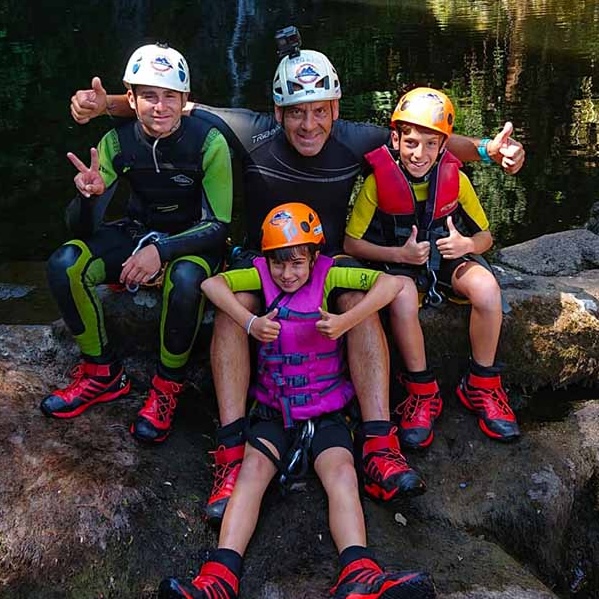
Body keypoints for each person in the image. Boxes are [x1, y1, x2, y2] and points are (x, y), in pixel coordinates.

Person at [69, 31, 526, 521]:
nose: (309, 124)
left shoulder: (357, 138)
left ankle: (376, 444)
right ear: (278, 109)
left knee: (355, 305)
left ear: (335, 107)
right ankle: (231, 453)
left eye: (320, 110)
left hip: (326, 259)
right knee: (231, 311)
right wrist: (107, 106)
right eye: (296, 111)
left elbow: (426, 133)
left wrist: (486, 149)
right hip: (263, 259)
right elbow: (173, 107)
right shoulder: (251, 131)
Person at [158, 202, 436, 599]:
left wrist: (345, 321)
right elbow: (210, 285)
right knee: (251, 474)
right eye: (278, 264)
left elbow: (394, 285)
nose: (287, 274)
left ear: (314, 257)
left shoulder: (330, 274)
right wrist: (250, 321)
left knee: (342, 475)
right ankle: (219, 576)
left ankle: (359, 570)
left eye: (297, 264)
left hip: (326, 416)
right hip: (274, 413)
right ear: (266, 259)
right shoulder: (258, 275)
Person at [41, 43, 233, 446]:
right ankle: (101, 373)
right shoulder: (116, 142)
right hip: (137, 229)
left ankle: (166, 387)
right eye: (148, 96)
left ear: (185, 100)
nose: (159, 107)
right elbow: (81, 227)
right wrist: (90, 195)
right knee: (65, 263)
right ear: (130, 99)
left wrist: (160, 252)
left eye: (169, 97)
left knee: (184, 279)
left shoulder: (209, 141)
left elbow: (218, 225)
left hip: (192, 239)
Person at [344, 87, 521, 450]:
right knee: (404, 296)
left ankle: (482, 384)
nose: (419, 153)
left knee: (487, 289)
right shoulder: (377, 183)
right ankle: (422, 391)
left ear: (443, 146)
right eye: (410, 142)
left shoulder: (456, 179)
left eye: (429, 144)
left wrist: (467, 246)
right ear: (394, 139)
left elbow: (486, 237)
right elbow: (350, 245)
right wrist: (399, 255)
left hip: (448, 259)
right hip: (400, 262)